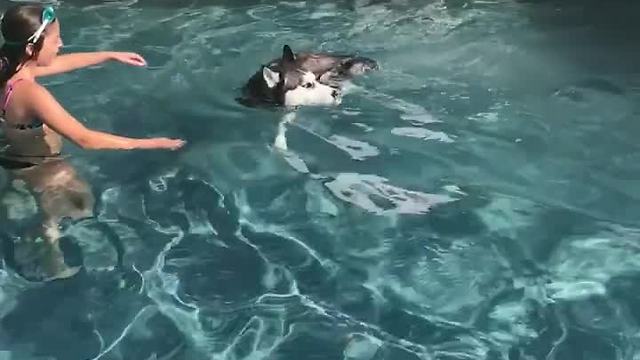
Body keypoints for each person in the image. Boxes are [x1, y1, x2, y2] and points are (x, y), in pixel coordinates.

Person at [0, 4, 185, 281]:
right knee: (79, 206)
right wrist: (153, 144)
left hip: (16, 156)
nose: (61, 43)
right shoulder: (31, 94)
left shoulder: (8, 67)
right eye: (55, 39)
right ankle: (52, 261)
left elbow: (61, 63)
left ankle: (38, 231)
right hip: (45, 165)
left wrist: (109, 54)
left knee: (53, 202)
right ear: (30, 50)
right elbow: (85, 139)